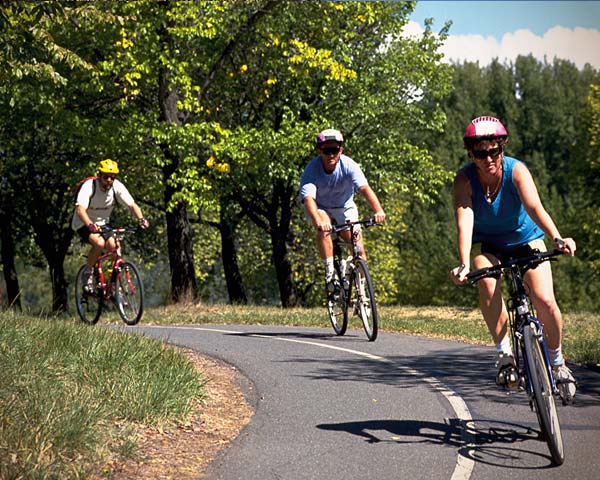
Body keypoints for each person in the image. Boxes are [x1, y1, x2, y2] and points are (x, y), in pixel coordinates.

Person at [449, 115, 577, 402]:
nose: (488, 158)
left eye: (493, 150)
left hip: (526, 241)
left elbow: (534, 206)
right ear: (472, 154)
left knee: (544, 300)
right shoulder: (464, 180)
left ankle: (557, 364)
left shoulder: (516, 170)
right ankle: (505, 355)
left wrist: (557, 237)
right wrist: (464, 263)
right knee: (486, 282)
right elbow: (465, 220)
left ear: (501, 147)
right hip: (492, 245)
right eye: (481, 153)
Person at [299, 128, 385, 293]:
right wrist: (318, 223)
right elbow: (309, 199)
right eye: (326, 150)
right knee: (323, 227)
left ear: (341, 150)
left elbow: (364, 188)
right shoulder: (311, 170)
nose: (331, 154)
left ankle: (361, 291)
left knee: (357, 244)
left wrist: (378, 210)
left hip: (344, 207)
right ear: (320, 151)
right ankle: (330, 274)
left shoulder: (349, 165)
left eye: (335, 150)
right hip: (321, 208)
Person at [71, 159, 150, 292]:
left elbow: (132, 205)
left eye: (112, 177)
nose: (109, 180)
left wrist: (141, 219)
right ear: (99, 175)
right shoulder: (90, 186)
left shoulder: (117, 186)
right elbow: (80, 209)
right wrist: (90, 224)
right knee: (99, 243)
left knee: (115, 248)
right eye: (106, 176)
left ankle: (112, 281)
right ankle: (88, 272)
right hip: (83, 222)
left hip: (103, 224)